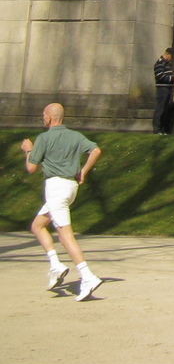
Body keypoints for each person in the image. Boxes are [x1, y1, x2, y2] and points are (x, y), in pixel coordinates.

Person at [21, 103, 103, 300]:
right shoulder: (75, 136)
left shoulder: (44, 138)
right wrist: (83, 172)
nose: (43, 118)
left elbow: (31, 168)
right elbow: (96, 151)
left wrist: (28, 150)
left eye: (44, 115)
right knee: (37, 226)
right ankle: (55, 265)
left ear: (49, 117)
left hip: (56, 188)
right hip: (70, 188)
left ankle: (88, 277)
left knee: (65, 236)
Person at [152, 47, 174, 133]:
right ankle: (157, 129)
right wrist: (172, 79)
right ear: (167, 54)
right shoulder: (160, 63)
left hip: (168, 88)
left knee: (165, 109)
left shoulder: (167, 64)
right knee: (160, 109)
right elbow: (160, 76)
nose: (172, 59)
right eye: (172, 57)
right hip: (162, 88)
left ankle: (163, 129)